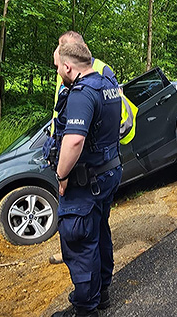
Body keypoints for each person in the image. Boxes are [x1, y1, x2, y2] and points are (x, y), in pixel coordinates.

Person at [51, 41, 122, 317]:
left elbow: (75, 141)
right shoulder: (108, 85)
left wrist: (61, 175)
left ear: (68, 66)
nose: (58, 71)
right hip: (107, 174)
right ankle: (101, 292)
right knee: (99, 233)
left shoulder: (81, 93)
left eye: (58, 66)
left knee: (79, 241)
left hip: (85, 182)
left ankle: (85, 307)